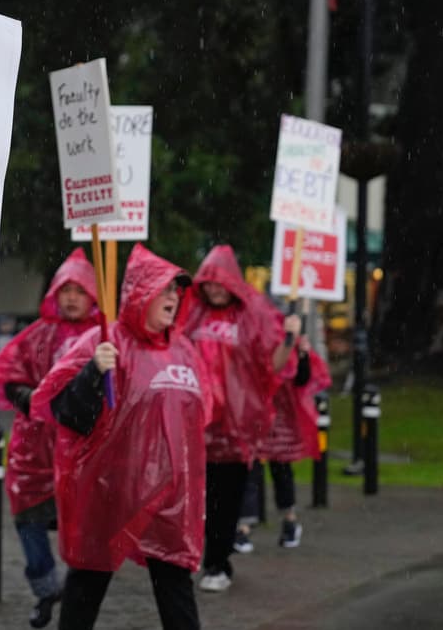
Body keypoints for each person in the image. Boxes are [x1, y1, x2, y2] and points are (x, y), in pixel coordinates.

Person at [31, 245, 211, 630]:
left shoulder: (184, 350)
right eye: (164, 290)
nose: (173, 298)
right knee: (88, 581)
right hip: (110, 493)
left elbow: (202, 416)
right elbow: (65, 412)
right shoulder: (106, 342)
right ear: (140, 294)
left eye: (177, 291)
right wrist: (94, 372)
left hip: (170, 498)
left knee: (175, 584)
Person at [0, 248, 101, 628]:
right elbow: (4, 375)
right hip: (35, 447)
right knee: (28, 519)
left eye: (79, 290)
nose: (71, 298)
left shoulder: (106, 337)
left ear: (93, 295)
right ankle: (47, 590)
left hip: (84, 447)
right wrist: (27, 398)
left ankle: (80, 599)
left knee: (86, 527)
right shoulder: (38, 334)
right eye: (65, 289)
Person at [182, 245, 300, 593]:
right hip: (198, 428)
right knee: (199, 501)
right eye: (209, 283)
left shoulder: (251, 317)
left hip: (235, 430)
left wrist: (290, 337)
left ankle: (218, 563)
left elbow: (272, 367)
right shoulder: (192, 316)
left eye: (221, 283)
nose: (215, 289)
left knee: (227, 499)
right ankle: (204, 558)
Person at [235, 331, 332, 552]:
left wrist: (303, 354)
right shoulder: (254, 344)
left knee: (280, 468)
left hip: (281, 418)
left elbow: (301, 378)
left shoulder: (289, 345)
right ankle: (245, 526)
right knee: (251, 468)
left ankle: (288, 519)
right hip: (258, 417)